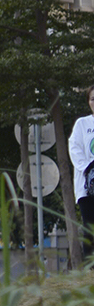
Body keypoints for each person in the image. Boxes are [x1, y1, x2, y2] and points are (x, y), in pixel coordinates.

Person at [68, 86, 94, 248]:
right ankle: (90, 269)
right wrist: (89, 169)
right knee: (90, 229)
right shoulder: (82, 124)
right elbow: (74, 148)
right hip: (87, 187)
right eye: (93, 99)